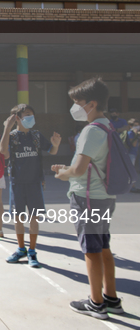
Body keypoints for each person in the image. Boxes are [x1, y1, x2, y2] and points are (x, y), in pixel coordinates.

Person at [52, 77, 124, 319]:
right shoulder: (108, 126)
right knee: (103, 246)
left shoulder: (91, 130)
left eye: (78, 102)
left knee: (91, 250)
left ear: (92, 103)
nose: (75, 107)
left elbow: (79, 170)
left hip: (87, 198)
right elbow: (91, 163)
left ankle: (96, 303)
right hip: (104, 196)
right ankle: (111, 298)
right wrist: (69, 167)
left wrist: (64, 174)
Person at [0, 104, 61, 268]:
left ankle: (32, 251)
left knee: (34, 218)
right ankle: (21, 249)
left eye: (32, 114)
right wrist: (6, 128)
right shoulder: (12, 136)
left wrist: (56, 144)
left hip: (35, 182)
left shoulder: (36, 135)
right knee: (18, 218)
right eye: (26, 114)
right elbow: (3, 152)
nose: (30, 117)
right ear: (17, 118)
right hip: (17, 183)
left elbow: (52, 151)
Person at [128, 119, 140, 193]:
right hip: (130, 153)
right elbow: (134, 144)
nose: (137, 127)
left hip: (135, 153)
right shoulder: (130, 133)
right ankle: (131, 187)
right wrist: (136, 136)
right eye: (135, 125)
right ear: (131, 126)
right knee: (131, 171)